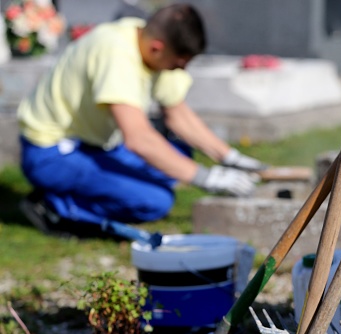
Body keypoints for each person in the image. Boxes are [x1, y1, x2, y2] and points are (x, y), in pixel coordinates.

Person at [18, 3, 266, 238]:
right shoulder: (116, 53)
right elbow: (138, 139)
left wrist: (230, 158)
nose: (178, 71)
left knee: (176, 165)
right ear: (157, 48)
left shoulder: (147, 40)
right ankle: (52, 206)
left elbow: (177, 114)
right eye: (176, 65)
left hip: (97, 143)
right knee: (155, 201)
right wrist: (207, 178)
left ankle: (78, 192)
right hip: (52, 153)